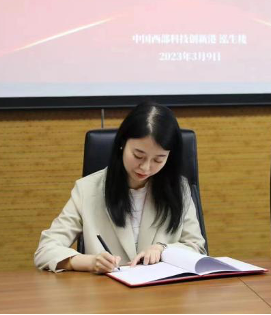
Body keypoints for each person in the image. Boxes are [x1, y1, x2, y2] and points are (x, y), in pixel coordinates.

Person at [34, 101, 206, 273]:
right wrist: (90, 262)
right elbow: (46, 250)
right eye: (138, 155)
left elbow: (197, 248)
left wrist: (163, 250)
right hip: (107, 289)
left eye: (158, 159)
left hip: (162, 289)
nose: (146, 167)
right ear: (122, 143)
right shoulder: (87, 190)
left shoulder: (179, 189)